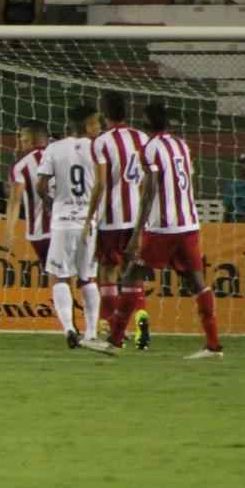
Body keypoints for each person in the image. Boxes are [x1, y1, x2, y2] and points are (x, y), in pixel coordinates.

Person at [85, 102, 224, 360]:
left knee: (130, 278)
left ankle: (114, 341)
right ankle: (213, 345)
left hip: (163, 228)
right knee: (197, 282)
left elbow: (148, 192)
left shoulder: (151, 149)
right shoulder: (181, 144)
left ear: (147, 124)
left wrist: (138, 234)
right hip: (189, 224)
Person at [82, 91, 150, 348]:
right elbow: (146, 182)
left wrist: (90, 216)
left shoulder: (101, 142)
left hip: (111, 219)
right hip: (136, 219)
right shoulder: (141, 138)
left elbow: (100, 184)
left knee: (108, 272)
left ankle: (112, 329)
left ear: (105, 114)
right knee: (134, 276)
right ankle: (143, 330)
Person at [36, 104, 103, 347]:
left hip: (62, 221)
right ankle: (92, 333)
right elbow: (103, 183)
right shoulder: (97, 148)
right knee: (88, 278)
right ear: (86, 125)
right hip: (88, 220)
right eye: (95, 123)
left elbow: (40, 185)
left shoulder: (54, 148)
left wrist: (50, 203)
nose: (98, 127)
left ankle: (68, 329)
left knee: (60, 277)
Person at [6, 121, 51, 267]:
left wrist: (9, 230)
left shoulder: (21, 165)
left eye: (22, 137)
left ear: (30, 140)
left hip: (39, 232)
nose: (20, 141)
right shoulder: (62, 157)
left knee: (55, 277)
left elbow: (15, 200)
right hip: (69, 225)